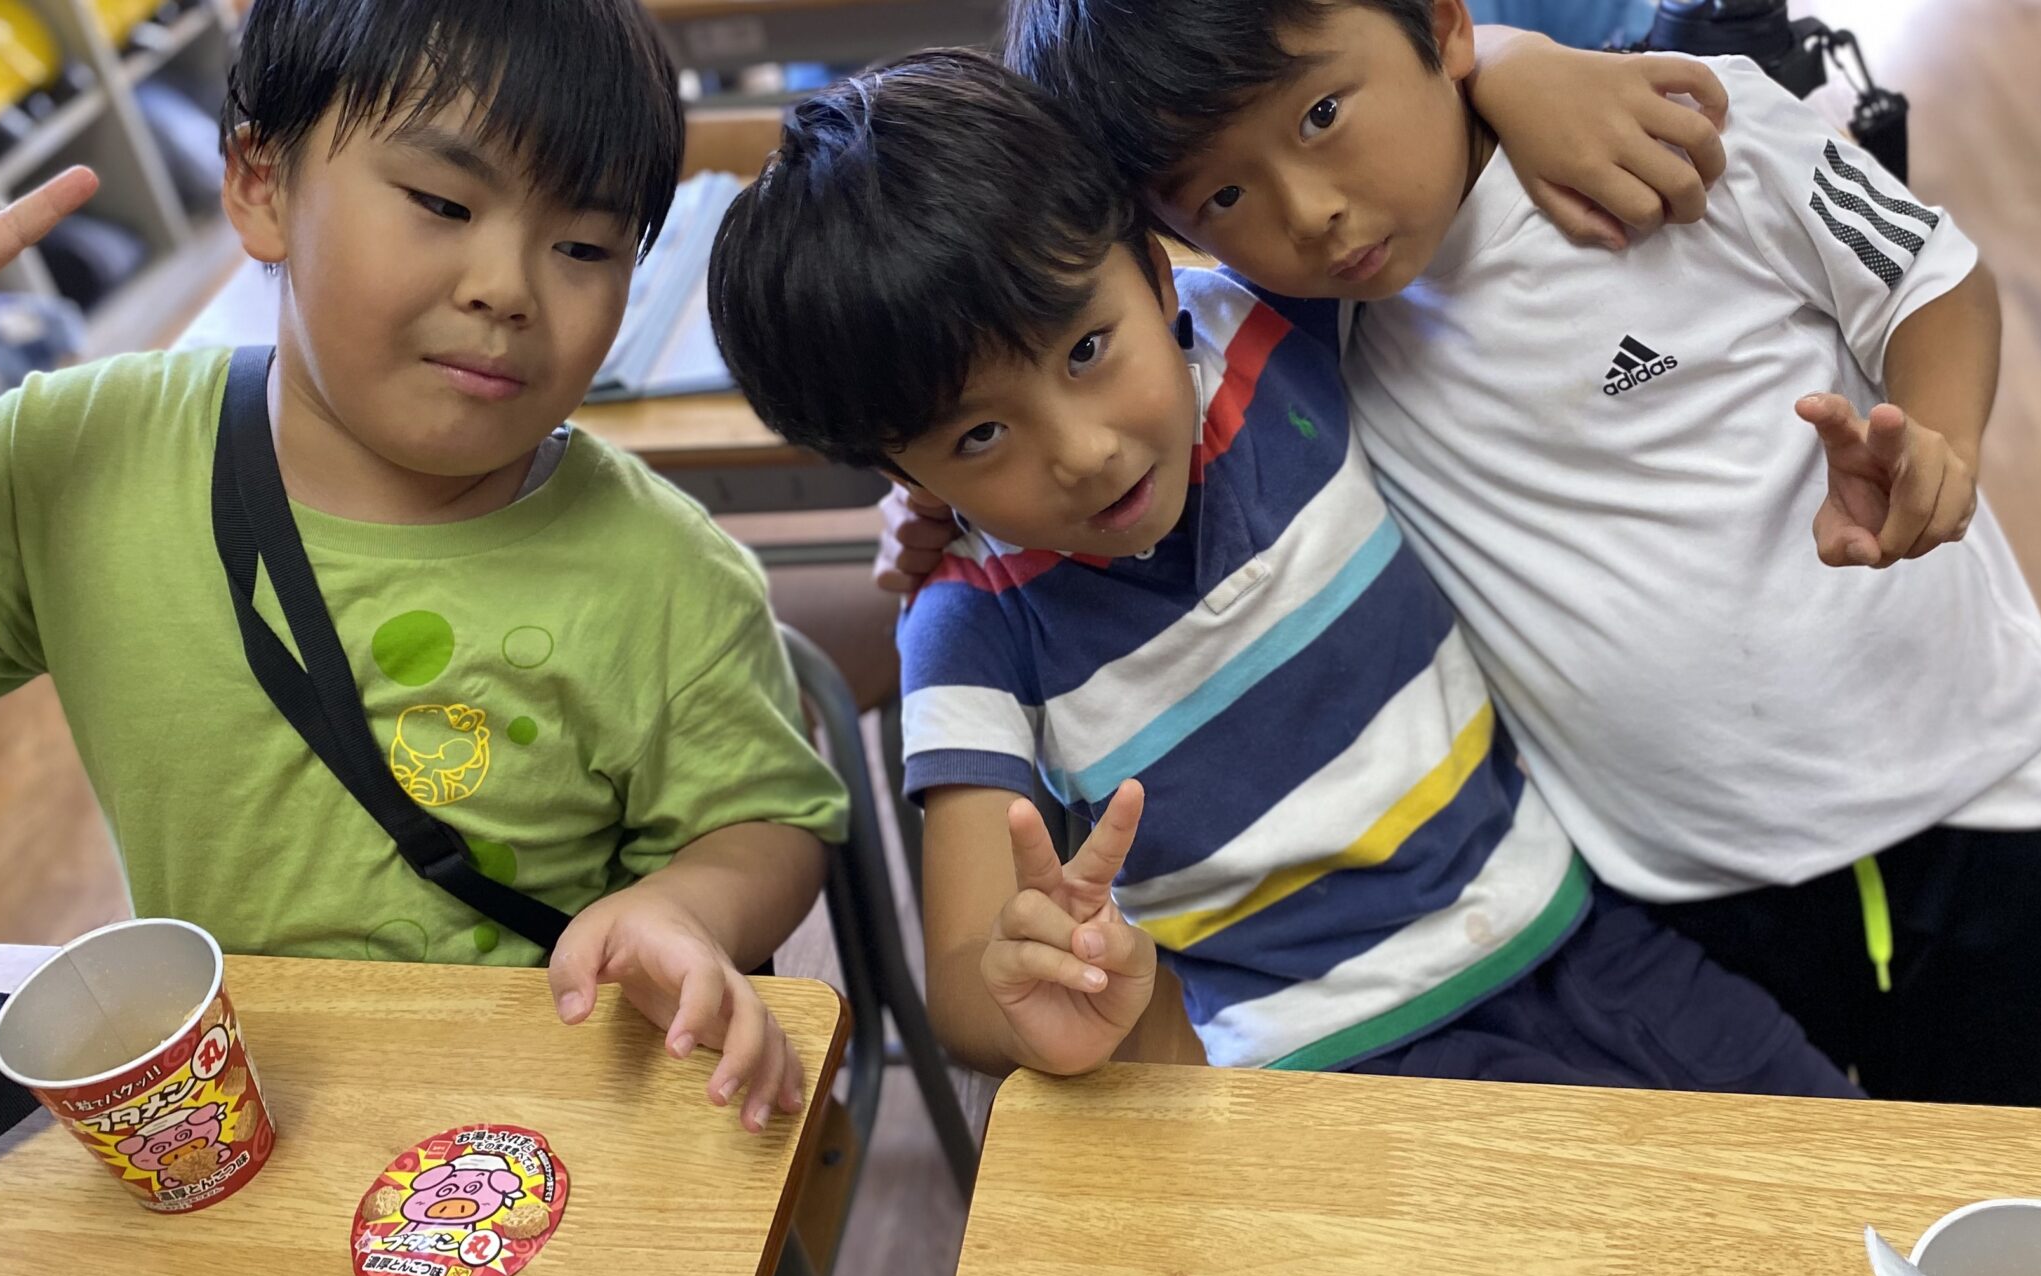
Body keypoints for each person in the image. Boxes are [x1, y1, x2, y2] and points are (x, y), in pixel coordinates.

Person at [990, 0, 2041, 1110]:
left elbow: (1932, 276)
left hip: (1957, 793)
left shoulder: (1688, 135)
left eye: (1322, 116)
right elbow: (1088, 375)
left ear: (1441, 22)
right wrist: (944, 503)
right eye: (1224, 194)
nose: (1310, 213)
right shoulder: (1290, 334)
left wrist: (1937, 437)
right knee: (1821, 1191)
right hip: (1674, 879)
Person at [712, 50, 1856, 1098]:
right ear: (896, 467)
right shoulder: (971, 624)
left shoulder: (1260, 327)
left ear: (1154, 272)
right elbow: (965, 975)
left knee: (1842, 1183)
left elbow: (1375, 104)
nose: (1082, 450)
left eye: (1087, 350)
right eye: (978, 436)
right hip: (1325, 1068)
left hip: (1583, 929)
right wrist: (1037, 980)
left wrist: (1514, 69)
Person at [0, 0, 846, 1130]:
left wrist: (684, 908)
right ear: (263, 186)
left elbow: (765, 820)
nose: (506, 286)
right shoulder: (75, 456)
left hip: (550, 1130)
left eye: (585, 248)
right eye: (443, 203)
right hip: (235, 1132)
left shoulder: (667, 570)